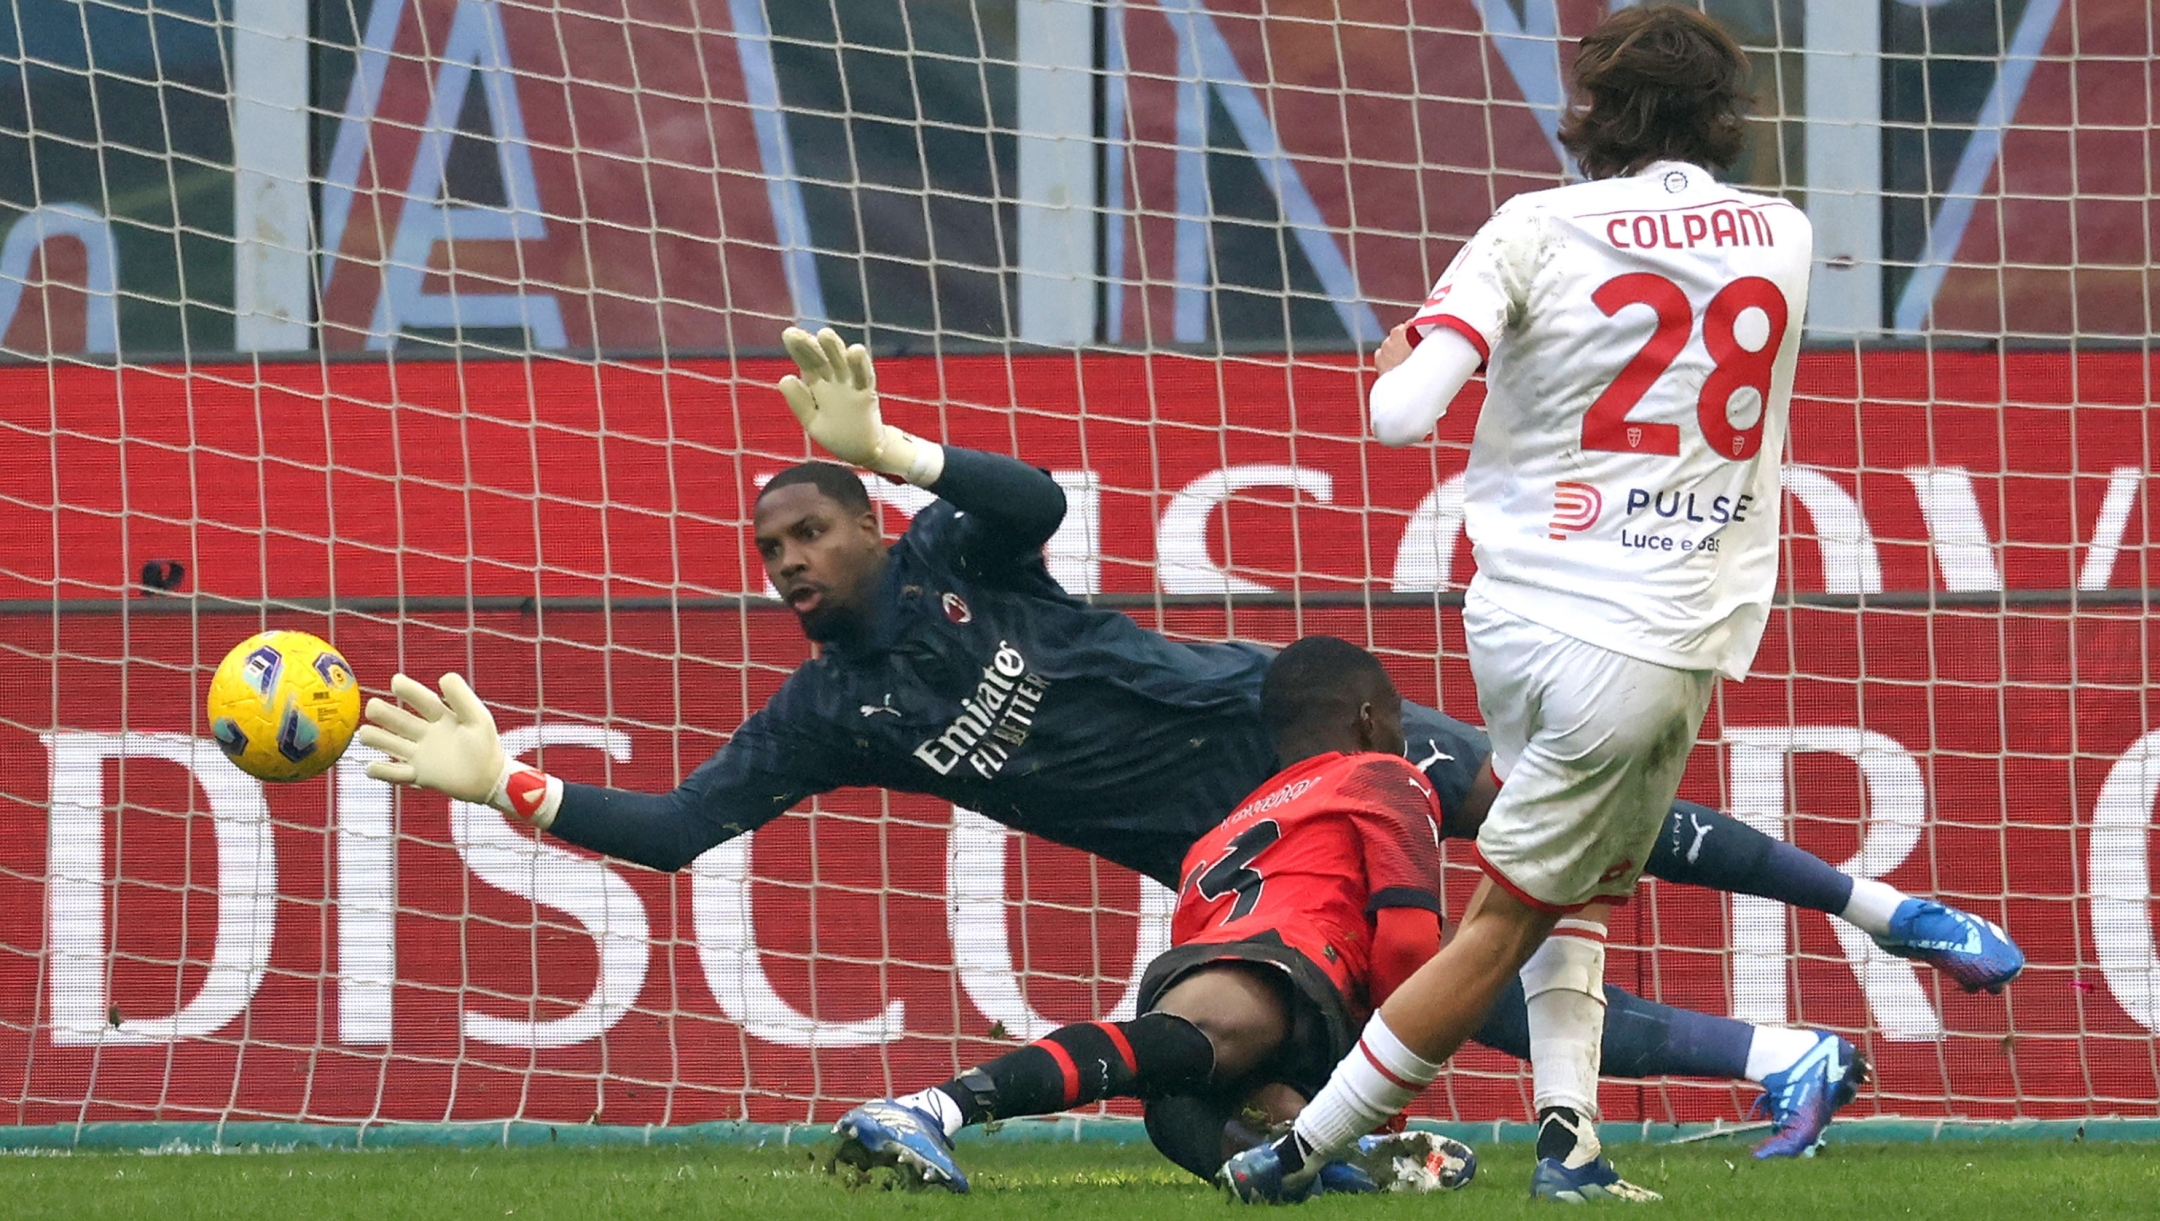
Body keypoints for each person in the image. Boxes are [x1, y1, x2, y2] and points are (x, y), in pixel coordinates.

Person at [357, 327, 2017, 1157]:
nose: (788, 564)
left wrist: (893, 444)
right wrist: (501, 777)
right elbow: (673, 829)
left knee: (1562, 818)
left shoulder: (950, 556)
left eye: (809, 529)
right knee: (1472, 989)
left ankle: (1883, 910)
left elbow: (1034, 498)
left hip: (1288, 730)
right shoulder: (831, 711)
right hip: (1242, 870)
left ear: (868, 526)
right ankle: (1781, 1055)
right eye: (771, 552)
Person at [1219, 6, 1903, 1204]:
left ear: (1590, 114)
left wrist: (1406, 362)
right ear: (1725, 116)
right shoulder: (1784, 237)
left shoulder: (1531, 226)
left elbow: (1399, 416)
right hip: (1647, 633)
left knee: (1579, 884)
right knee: (1502, 925)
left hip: (1516, 610)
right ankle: (1295, 1155)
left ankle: (1570, 1143)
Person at [828, 636, 1480, 1193]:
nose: (1402, 737)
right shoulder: (1387, 776)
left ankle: (1318, 1148)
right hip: (1284, 976)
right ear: (1370, 720)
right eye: (1398, 719)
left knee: (1186, 1103)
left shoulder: (1226, 829)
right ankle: (929, 1107)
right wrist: (1386, 1098)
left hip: (1221, 1000)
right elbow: (1406, 941)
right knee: (1203, 1036)